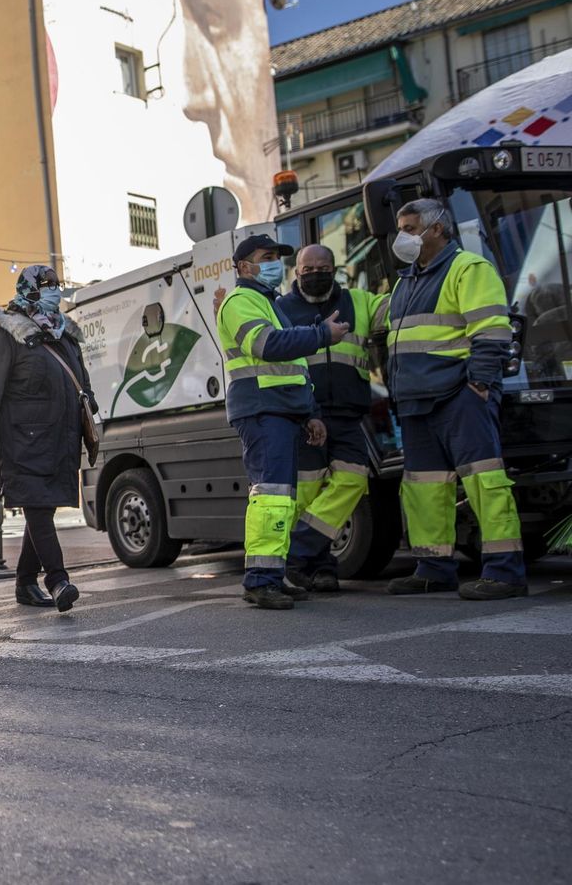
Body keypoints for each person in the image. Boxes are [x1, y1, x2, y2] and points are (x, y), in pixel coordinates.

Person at [376, 198, 525, 600]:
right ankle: (433, 568)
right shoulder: (405, 282)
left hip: (460, 396)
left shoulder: (468, 268)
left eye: (409, 229)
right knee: (424, 489)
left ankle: (505, 573)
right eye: (400, 230)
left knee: (484, 483)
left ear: (437, 229)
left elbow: (492, 330)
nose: (401, 238)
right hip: (416, 401)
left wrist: (480, 384)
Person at [216, 236, 347, 611]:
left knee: (282, 499)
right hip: (262, 410)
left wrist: (309, 413)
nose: (275, 263)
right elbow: (268, 345)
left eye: (277, 257)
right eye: (267, 257)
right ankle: (260, 580)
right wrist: (321, 334)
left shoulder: (268, 303)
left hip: (280, 410)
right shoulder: (240, 301)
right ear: (244, 266)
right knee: (270, 497)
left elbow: (294, 368)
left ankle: (273, 575)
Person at [0, 265, 96, 612]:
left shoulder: (65, 335)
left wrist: (90, 410)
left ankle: (25, 582)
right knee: (37, 508)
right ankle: (58, 580)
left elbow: (82, 382)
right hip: (22, 441)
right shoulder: (9, 334)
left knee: (43, 510)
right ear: (29, 289)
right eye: (47, 285)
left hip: (61, 439)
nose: (54, 290)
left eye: (56, 285)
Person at [274, 244, 381, 593]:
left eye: (323, 268)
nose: (315, 274)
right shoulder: (281, 309)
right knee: (309, 493)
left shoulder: (359, 302)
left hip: (349, 413)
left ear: (334, 269)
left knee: (353, 480)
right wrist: (301, 411)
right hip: (305, 415)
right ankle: (320, 569)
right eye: (308, 269)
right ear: (297, 272)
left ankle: (297, 552)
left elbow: (398, 310)